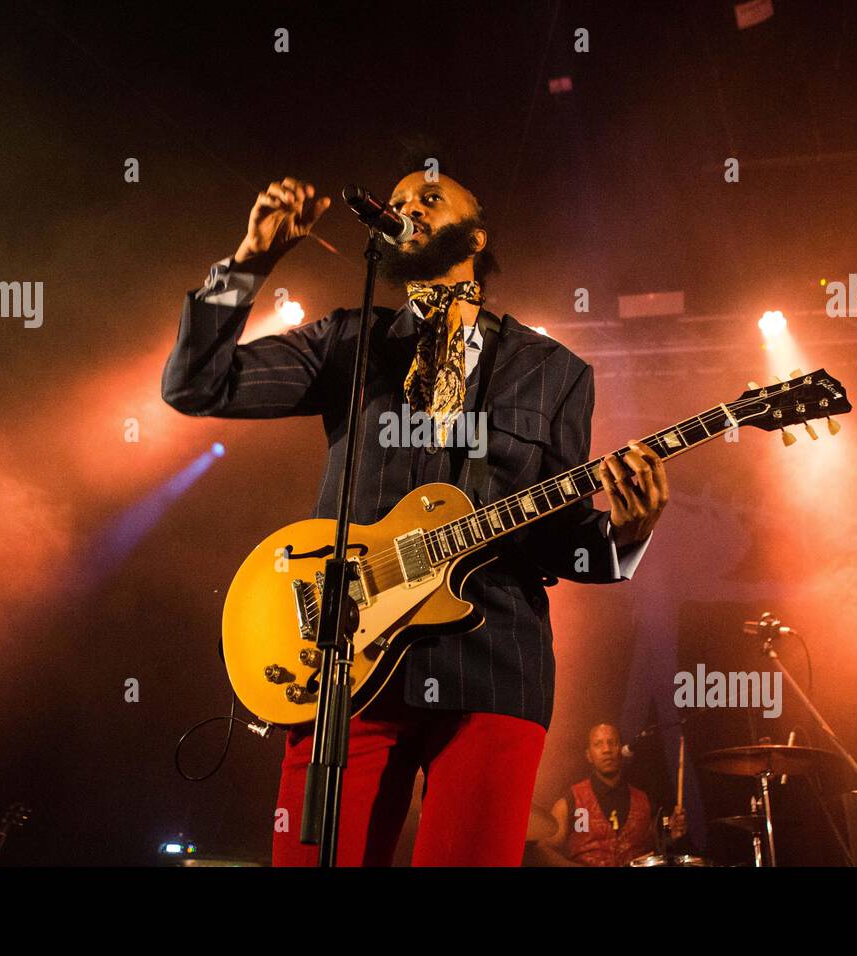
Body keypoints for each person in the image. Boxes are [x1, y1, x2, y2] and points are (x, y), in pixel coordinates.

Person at [162, 165, 670, 865]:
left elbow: (560, 541)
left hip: (492, 666)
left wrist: (628, 532)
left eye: (430, 198)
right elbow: (195, 384)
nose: (407, 208)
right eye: (398, 202)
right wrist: (250, 263)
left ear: (477, 233)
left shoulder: (554, 371)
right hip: (346, 661)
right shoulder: (348, 341)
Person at [537, 722, 687, 867]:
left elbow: (657, 850)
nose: (606, 749)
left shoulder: (644, 802)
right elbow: (543, 849)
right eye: (598, 744)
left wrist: (670, 836)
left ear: (621, 750)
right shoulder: (571, 801)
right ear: (589, 755)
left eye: (612, 742)